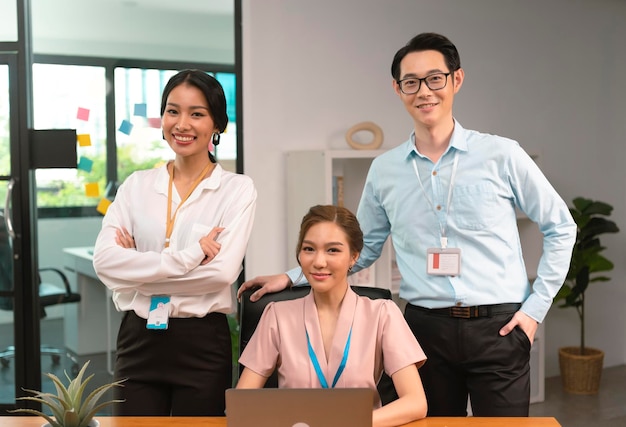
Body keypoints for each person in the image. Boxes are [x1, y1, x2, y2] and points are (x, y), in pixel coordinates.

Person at [238, 33, 576, 417]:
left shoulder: (501, 154)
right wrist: (291, 276)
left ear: (456, 80)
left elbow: (561, 227)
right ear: (398, 90)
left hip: (497, 327)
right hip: (423, 330)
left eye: (435, 78)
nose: (424, 92)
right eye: (410, 82)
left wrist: (534, 311)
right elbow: (358, 249)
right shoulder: (385, 170)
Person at [92, 69, 257, 416]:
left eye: (196, 114)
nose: (182, 124)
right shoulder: (136, 186)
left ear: (218, 125)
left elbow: (220, 274)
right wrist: (190, 257)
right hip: (138, 339)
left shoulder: (236, 190)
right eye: (173, 111)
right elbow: (104, 263)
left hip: (201, 343)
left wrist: (136, 267)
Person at [237, 205, 427, 427]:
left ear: (354, 257)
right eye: (309, 249)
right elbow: (243, 403)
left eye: (333, 250)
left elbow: (415, 402)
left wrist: (350, 424)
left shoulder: (382, 314)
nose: (318, 261)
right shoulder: (277, 316)